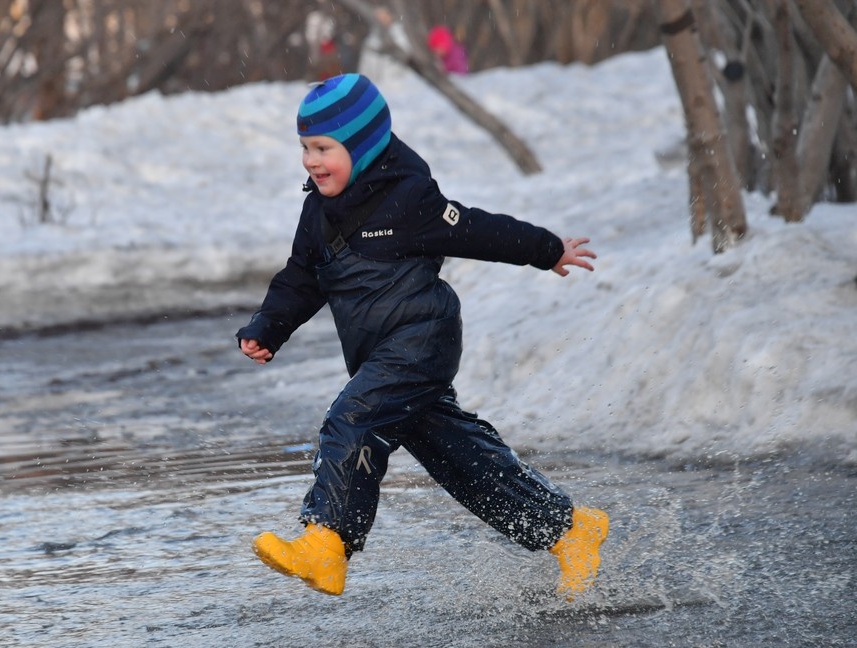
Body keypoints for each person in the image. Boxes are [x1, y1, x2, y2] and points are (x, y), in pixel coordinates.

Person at [237, 74, 608, 599]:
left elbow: (477, 230)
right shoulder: (318, 212)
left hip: (421, 342)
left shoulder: (409, 199)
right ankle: (570, 531)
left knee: (353, 418)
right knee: (462, 461)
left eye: (323, 148)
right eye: (304, 147)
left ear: (362, 147)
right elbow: (302, 275)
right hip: (379, 354)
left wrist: (547, 250)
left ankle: (326, 543)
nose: (310, 160)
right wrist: (268, 327)